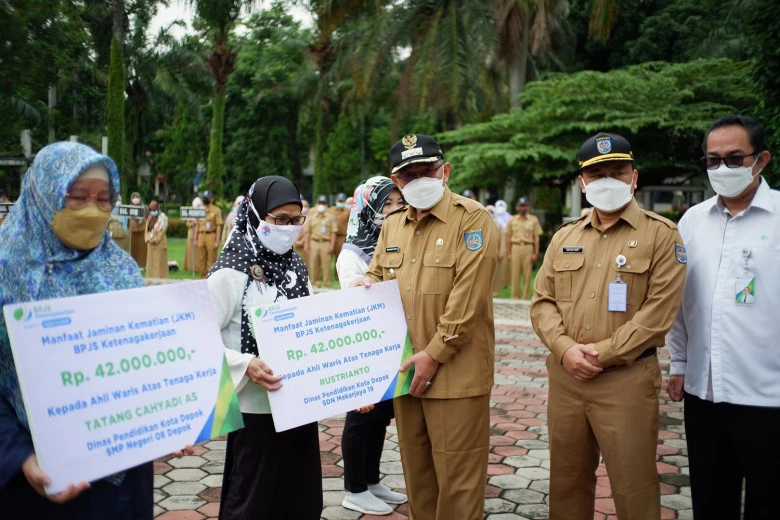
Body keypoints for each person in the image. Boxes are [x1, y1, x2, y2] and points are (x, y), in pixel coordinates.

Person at [530, 132, 687, 520]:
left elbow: (657, 314)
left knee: (633, 485)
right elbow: (542, 302)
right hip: (567, 379)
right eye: (598, 175)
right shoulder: (564, 236)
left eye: (618, 172)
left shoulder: (661, 235)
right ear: (583, 183)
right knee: (566, 482)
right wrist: (565, 349)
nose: (608, 182)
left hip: (627, 379)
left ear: (634, 177)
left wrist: (602, 353)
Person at [0, 142, 155, 518]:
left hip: (128, 476)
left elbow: (148, 357)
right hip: (44, 481)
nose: (93, 209)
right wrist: (20, 456)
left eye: (104, 198)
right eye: (76, 196)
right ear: (43, 194)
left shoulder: (122, 269)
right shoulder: (7, 273)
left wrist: (171, 415)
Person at [356, 134, 498, 520]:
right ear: (396, 182)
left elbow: (466, 301)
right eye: (408, 175)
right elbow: (376, 276)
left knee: (458, 487)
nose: (419, 179)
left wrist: (433, 355)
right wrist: (364, 288)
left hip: (455, 374)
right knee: (418, 480)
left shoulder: (473, 221)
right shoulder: (392, 225)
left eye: (427, 171)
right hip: (405, 374)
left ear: (445, 171)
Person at [666, 115, 778, 520]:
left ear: (760, 159)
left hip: (768, 395)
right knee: (711, 503)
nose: (722, 169)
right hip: (704, 394)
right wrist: (679, 363)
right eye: (712, 160)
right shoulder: (692, 222)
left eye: (734, 158)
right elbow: (680, 301)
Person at [206, 176, 322, 520]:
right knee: (252, 501)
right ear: (256, 215)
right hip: (254, 411)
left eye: (295, 220)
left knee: (298, 497)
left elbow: (311, 325)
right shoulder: (231, 272)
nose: (288, 228)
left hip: (298, 405)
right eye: (279, 220)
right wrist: (244, 364)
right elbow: (198, 341)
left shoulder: (296, 266)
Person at [336, 177, 408, 515]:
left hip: (390, 343)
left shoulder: (397, 241)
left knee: (380, 416)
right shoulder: (352, 254)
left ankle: (373, 479)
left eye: (399, 202)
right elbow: (356, 294)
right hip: (362, 345)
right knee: (360, 416)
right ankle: (355, 487)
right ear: (369, 210)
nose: (395, 209)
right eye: (387, 205)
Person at [506, 197, 542, 300]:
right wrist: (508, 252)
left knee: (527, 274)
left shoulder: (533, 220)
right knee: (515, 274)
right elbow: (508, 237)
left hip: (528, 248)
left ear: (528, 207)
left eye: (525, 206)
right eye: (521, 206)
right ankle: (515, 296)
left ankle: (525, 297)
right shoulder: (512, 220)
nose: (523, 208)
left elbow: (536, 237)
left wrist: (536, 252)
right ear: (517, 207)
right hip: (515, 247)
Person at [303, 195, 336, 288]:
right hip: (314, 242)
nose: (321, 205)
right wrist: (306, 245)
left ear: (326, 205)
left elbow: (333, 232)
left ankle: (326, 284)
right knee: (313, 264)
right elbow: (307, 232)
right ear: (316, 204)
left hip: (326, 242)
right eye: (319, 203)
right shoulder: (311, 217)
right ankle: (315, 283)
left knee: (326, 265)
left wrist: (332, 246)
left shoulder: (330, 217)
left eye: (323, 204)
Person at [195, 190, 223, 278]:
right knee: (201, 259)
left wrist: (217, 240)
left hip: (211, 235)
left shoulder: (216, 210)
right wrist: (195, 239)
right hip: (201, 235)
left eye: (207, 198)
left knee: (211, 259)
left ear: (211, 199)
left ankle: (211, 278)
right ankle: (202, 279)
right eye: (204, 198)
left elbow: (219, 226)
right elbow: (197, 225)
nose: (205, 200)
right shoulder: (200, 210)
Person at [144, 200, 169, 279]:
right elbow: (146, 230)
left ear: (158, 208)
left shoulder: (163, 218)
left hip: (159, 244)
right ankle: (150, 280)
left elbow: (162, 231)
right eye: (151, 210)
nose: (153, 212)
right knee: (151, 264)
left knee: (159, 265)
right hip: (150, 245)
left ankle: (161, 282)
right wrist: (148, 239)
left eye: (154, 210)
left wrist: (155, 240)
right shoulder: (149, 218)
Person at [492, 200, 512, 297]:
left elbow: (506, 236)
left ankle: (500, 289)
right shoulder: (489, 219)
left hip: (502, 249)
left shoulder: (509, 219)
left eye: (502, 205)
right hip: (489, 250)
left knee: (501, 271)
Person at [331, 192, 350, 280]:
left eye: (342, 201)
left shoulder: (348, 211)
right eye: (339, 201)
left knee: (339, 257)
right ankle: (324, 276)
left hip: (342, 237)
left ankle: (337, 276)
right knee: (327, 256)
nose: (341, 203)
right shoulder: (331, 210)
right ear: (336, 201)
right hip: (331, 236)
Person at [128, 191, 147, 268]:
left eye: (137, 197)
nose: (135, 199)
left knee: (142, 250)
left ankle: (143, 264)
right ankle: (133, 265)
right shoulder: (128, 209)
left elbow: (148, 218)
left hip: (142, 231)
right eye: (133, 197)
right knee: (133, 249)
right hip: (132, 232)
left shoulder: (144, 208)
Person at [183, 197, 203, 272]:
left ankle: (199, 267)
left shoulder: (202, 213)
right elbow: (187, 223)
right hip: (191, 233)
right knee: (191, 250)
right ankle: (191, 266)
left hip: (200, 233)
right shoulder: (191, 213)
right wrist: (192, 224)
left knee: (199, 250)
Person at [294, 197, 310, 270]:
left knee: (306, 263)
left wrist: (302, 241)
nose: (304, 208)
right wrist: (296, 241)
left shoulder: (311, 218)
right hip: (294, 242)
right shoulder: (294, 217)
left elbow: (310, 232)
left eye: (306, 206)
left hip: (307, 243)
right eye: (302, 206)